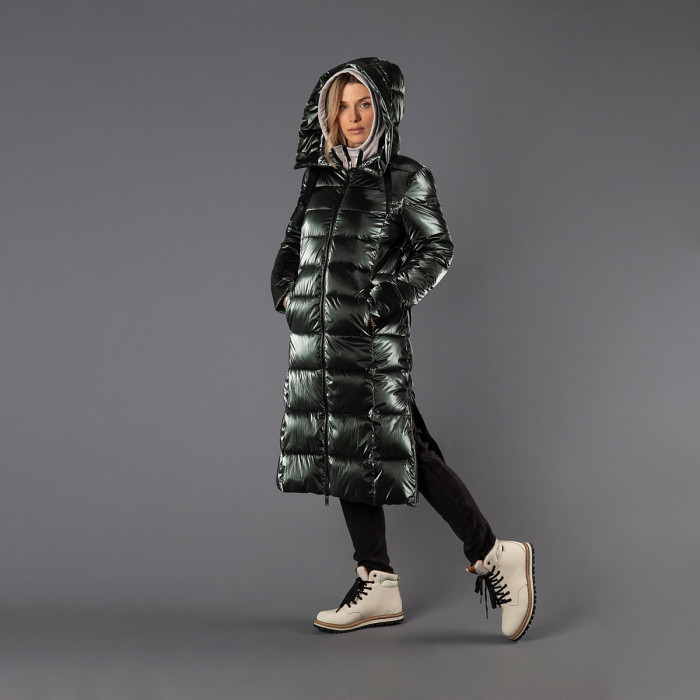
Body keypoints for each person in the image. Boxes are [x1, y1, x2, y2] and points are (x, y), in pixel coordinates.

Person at [270, 57, 536, 641]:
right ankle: (377, 581)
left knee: (408, 451)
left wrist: (380, 302)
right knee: (346, 452)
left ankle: (495, 553)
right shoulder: (318, 177)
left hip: (371, 346)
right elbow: (293, 243)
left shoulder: (406, 178)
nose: (354, 116)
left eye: (364, 103)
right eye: (343, 105)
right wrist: (286, 292)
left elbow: (435, 251)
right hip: (319, 345)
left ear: (384, 108)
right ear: (329, 114)